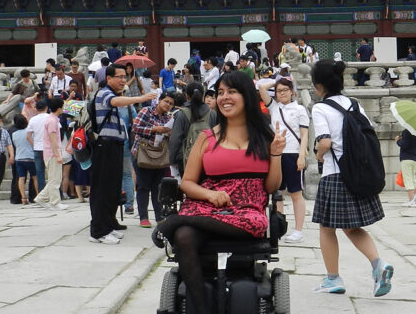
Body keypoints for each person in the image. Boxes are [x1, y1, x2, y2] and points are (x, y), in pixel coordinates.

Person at [150, 71, 284, 313]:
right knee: (183, 235)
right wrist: (210, 195)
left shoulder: (265, 138)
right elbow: (187, 183)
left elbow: (272, 187)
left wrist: (275, 154)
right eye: (220, 92)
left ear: (246, 96)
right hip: (206, 206)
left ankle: (172, 223)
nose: (224, 98)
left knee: (250, 222)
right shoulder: (207, 137)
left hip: (246, 210)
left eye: (231, 91)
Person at [308, 59, 393, 297]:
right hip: (358, 172)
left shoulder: (320, 108)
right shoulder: (355, 105)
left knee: (326, 228)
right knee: (352, 227)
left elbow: (325, 142)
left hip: (335, 174)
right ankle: (379, 264)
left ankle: (333, 278)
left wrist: (318, 154)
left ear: (319, 86)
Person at [89, 64, 158, 244]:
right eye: (119, 76)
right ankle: (99, 231)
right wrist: (141, 97)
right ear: (109, 78)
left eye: (124, 76)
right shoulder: (105, 93)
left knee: (112, 188)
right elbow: (115, 102)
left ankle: (108, 224)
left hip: (115, 145)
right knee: (104, 189)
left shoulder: (114, 94)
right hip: (105, 145)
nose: (122, 80)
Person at [259, 78, 309, 244]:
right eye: (279, 91)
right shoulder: (274, 107)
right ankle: (278, 227)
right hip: (276, 154)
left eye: (285, 90)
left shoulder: (300, 109)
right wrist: (277, 81)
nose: (282, 93)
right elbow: (261, 87)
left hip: (293, 154)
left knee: (296, 193)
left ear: (292, 92)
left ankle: (298, 230)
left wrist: (302, 155)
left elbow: (304, 135)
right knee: (278, 193)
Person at [132, 93, 174, 227]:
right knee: (143, 186)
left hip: (159, 156)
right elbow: (136, 128)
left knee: (158, 187)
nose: (168, 105)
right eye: (166, 101)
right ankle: (143, 217)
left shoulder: (168, 118)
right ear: (159, 100)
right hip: (143, 154)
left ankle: (159, 216)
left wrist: (168, 133)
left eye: (171, 104)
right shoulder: (146, 111)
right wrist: (154, 129)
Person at [33, 98, 70, 210]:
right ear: (59, 108)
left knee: (55, 179)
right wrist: (57, 155)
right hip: (52, 153)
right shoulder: (52, 121)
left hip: (51, 152)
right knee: (55, 179)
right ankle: (54, 202)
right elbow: (53, 139)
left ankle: (42, 197)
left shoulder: (53, 119)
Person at [11, 115, 38, 205]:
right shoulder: (30, 133)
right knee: (34, 177)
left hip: (19, 157)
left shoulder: (14, 134)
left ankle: (23, 197)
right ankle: (38, 195)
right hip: (30, 157)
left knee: (21, 178)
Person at [27, 101, 50, 192]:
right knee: (52, 172)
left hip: (37, 148)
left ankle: (42, 193)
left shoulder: (33, 119)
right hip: (49, 148)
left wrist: (34, 144)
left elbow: (28, 136)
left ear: (36, 109)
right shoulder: (50, 118)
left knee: (40, 173)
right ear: (46, 108)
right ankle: (57, 193)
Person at [396, 130, 416, 206]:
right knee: (413, 179)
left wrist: (398, 141)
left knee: (408, 179)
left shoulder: (406, 131)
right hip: (414, 158)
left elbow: (404, 145)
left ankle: (411, 201)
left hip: (406, 158)